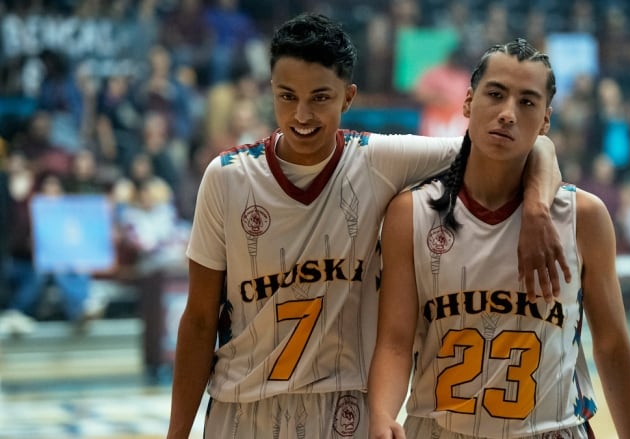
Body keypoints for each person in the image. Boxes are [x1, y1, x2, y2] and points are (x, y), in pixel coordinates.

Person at [167, 14, 570, 439]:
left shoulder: (378, 159)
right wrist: (176, 434)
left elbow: (532, 143)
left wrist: (538, 208)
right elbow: (198, 321)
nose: (302, 114)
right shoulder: (226, 177)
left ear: (348, 96)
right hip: (241, 407)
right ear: (272, 91)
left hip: (347, 408)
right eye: (288, 96)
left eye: (320, 97)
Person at [368, 39, 630, 438]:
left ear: (546, 120)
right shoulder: (410, 212)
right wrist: (381, 414)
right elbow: (395, 341)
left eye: (527, 102)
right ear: (467, 102)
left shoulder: (584, 217)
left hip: (553, 430)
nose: (508, 114)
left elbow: (613, 345)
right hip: (439, 429)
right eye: (495, 94)